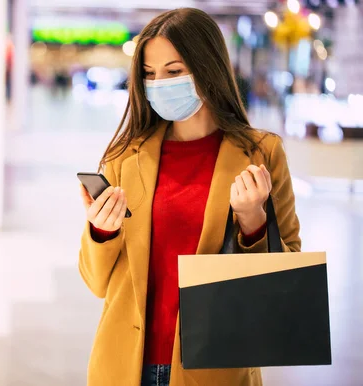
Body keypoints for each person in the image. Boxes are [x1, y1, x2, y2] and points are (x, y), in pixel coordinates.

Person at [78, 8, 301, 386]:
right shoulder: (123, 157)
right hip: (124, 366)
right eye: (149, 74)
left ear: (207, 67)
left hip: (215, 367)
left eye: (174, 71)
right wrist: (101, 231)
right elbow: (96, 282)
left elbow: (286, 272)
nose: (159, 83)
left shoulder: (261, 153)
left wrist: (252, 222)